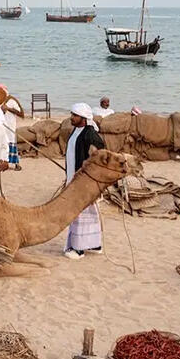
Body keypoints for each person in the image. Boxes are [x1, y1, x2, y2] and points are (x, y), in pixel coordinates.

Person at [64, 103, 106, 259]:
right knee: (88, 213)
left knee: (79, 213)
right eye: (72, 114)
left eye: (75, 115)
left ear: (83, 118)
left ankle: (78, 249)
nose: (71, 118)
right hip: (73, 178)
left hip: (83, 181)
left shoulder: (90, 133)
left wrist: (88, 169)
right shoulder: (77, 130)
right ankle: (94, 244)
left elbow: (101, 152)